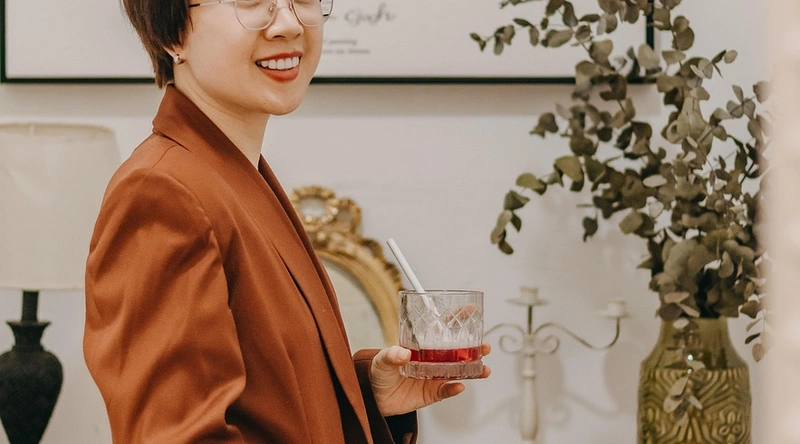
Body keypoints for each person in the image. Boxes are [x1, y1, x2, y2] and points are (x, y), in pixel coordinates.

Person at [82, 0, 490, 442]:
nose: (289, 24)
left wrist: (364, 395)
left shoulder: (232, 174)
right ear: (172, 34)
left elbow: (263, 397)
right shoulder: (162, 193)